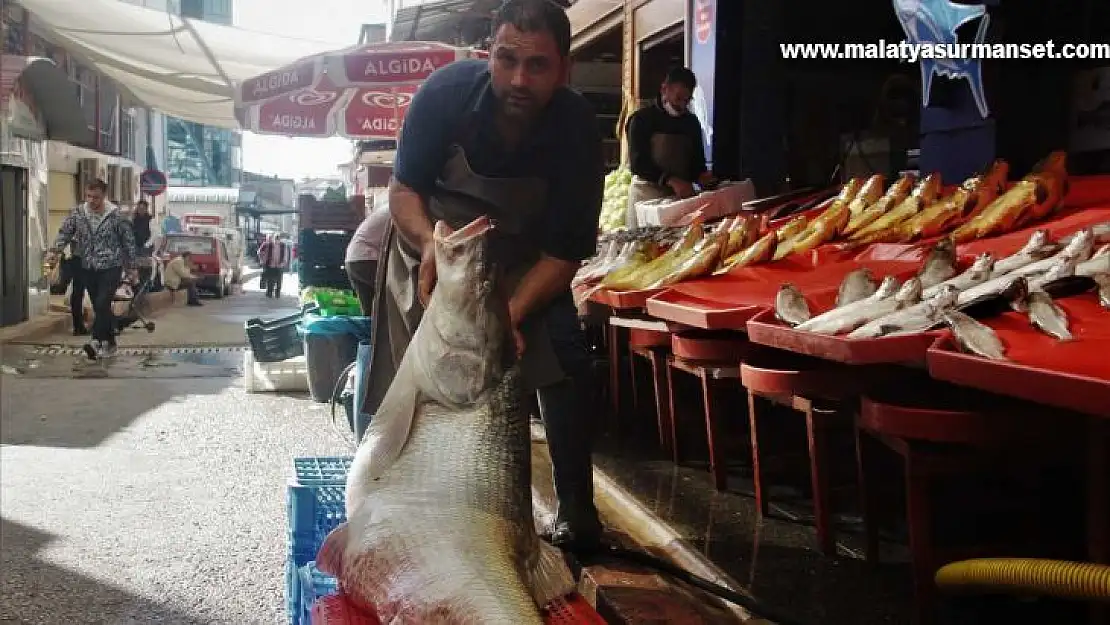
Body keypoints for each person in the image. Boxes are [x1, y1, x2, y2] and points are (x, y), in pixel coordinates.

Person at [362, 0, 605, 551]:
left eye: (538, 66)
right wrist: (429, 243)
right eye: (507, 59)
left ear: (564, 68)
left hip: (523, 259)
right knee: (403, 379)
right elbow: (404, 193)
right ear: (487, 53)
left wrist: (505, 318)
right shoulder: (444, 95)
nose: (519, 79)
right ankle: (378, 498)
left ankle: (577, 510)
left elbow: (565, 254)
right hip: (433, 249)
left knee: (564, 356)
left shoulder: (576, 130)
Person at [49, 179, 137, 360]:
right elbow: (65, 232)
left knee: (102, 302)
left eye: (96, 197)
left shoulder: (117, 216)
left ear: (104, 196)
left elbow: (128, 243)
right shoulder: (79, 214)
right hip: (87, 266)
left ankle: (95, 341)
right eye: (88, 196)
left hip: (111, 265)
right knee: (99, 305)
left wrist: (132, 267)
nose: (91, 201)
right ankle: (110, 340)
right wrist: (55, 251)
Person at [624, 66, 718, 229]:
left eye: (687, 101)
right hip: (645, 196)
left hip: (676, 201)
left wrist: (703, 177)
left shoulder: (691, 123)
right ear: (664, 89)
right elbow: (638, 163)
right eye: (678, 98)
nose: (682, 105)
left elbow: (697, 163)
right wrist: (671, 180)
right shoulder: (641, 119)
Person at [345, 208, 392, 316]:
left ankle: (369, 332)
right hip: (367, 258)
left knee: (369, 312)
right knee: (393, 299)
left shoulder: (387, 209)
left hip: (353, 259)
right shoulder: (402, 210)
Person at [257, 234, 289, 298]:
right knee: (270, 280)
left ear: (280, 239)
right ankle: (269, 293)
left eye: (278, 239)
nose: (277, 240)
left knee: (279, 280)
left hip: (279, 265)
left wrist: (283, 263)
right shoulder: (269, 245)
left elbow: (285, 255)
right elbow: (259, 252)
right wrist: (263, 260)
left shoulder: (283, 246)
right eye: (275, 239)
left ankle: (277, 293)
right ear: (273, 239)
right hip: (270, 265)